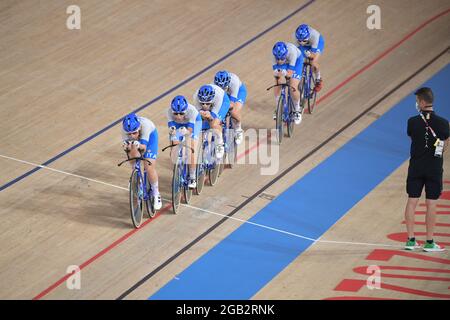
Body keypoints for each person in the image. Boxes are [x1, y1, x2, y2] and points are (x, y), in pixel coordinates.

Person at [404, 87, 449, 252]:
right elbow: (445, 143)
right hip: (434, 168)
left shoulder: (412, 121)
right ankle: (430, 242)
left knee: (412, 200)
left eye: (417, 101)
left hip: (416, 167)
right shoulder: (444, 123)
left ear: (422, 102)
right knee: (431, 203)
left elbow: (412, 137)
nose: (417, 104)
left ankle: (410, 240)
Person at [121, 113, 162, 210]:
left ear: (139, 129)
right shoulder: (124, 130)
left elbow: (143, 149)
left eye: (134, 133)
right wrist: (127, 149)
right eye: (129, 134)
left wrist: (138, 145)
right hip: (137, 143)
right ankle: (136, 176)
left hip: (150, 138)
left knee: (148, 166)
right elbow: (129, 152)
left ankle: (156, 194)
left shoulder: (146, 126)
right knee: (133, 159)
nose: (132, 136)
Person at [167, 95, 202, 189]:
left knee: (190, 148)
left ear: (186, 110)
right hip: (178, 126)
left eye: (181, 113)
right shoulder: (169, 112)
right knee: (174, 146)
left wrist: (186, 132)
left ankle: (192, 176)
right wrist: (174, 133)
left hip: (193, 124)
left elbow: (190, 129)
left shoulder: (192, 111)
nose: (178, 116)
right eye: (176, 114)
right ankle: (178, 167)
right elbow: (172, 128)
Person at [193, 84, 230, 159]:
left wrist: (209, 116)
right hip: (211, 102)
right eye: (202, 103)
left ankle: (220, 143)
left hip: (223, 102)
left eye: (207, 103)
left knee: (214, 124)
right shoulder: (195, 97)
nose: (205, 106)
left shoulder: (218, 97)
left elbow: (212, 117)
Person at [272, 41, 303, 125]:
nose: (280, 61)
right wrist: (278, 74)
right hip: (286, 63)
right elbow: (276, 71)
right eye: (278, 59)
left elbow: (289, 73)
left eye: (282, 58)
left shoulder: (292, 52)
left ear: (285, 54)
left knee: (292, 86)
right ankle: (278, 106)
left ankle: (297, 109)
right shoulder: (274, 56)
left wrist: (285, 73)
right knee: (277, 81)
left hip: (296, 62)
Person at [213, 70, 247, 145]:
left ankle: (238, 128)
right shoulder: (213, 85)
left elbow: (231, 103)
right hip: (225, 95)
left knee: (234, 111)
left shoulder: (234, 81)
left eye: (224, 87)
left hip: (238, 93)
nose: (221, 88)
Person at [295, 24, 325, 92]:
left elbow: (313, 55)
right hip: (307, 45)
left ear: (308, 37)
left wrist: (309, 55)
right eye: (299, 41)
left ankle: (318, 79)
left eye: (304, 40)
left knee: (313, 62)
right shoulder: (296, 36)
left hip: (317, 43)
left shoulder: (314, 36)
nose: (302, 42)